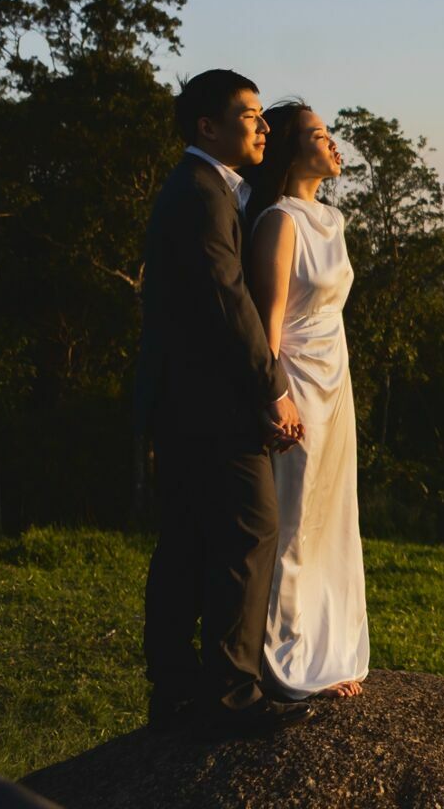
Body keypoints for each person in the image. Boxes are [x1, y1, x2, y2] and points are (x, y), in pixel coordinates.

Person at [134, 69, 314, 739]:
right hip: (209, 406)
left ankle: (176, 691)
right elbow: (226, 302)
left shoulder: (202, 189)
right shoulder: (203, 193)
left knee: (185, 541)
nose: (264, 126)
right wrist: (271, 390)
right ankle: (230, 696)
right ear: (207, 126)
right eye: (250, 115)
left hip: (180, 402)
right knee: (249, 531)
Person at [241, 100, 371, 701]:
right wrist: (272, 399)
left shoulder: (333, 219)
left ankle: (328, 648)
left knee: (330, 516)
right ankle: (286, 659)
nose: (334, 144)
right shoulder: (279, 221)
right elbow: (268, 322)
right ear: (296, 150)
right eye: (321, 135)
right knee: (292, 520)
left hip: (334, 380)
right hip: (295, 384)